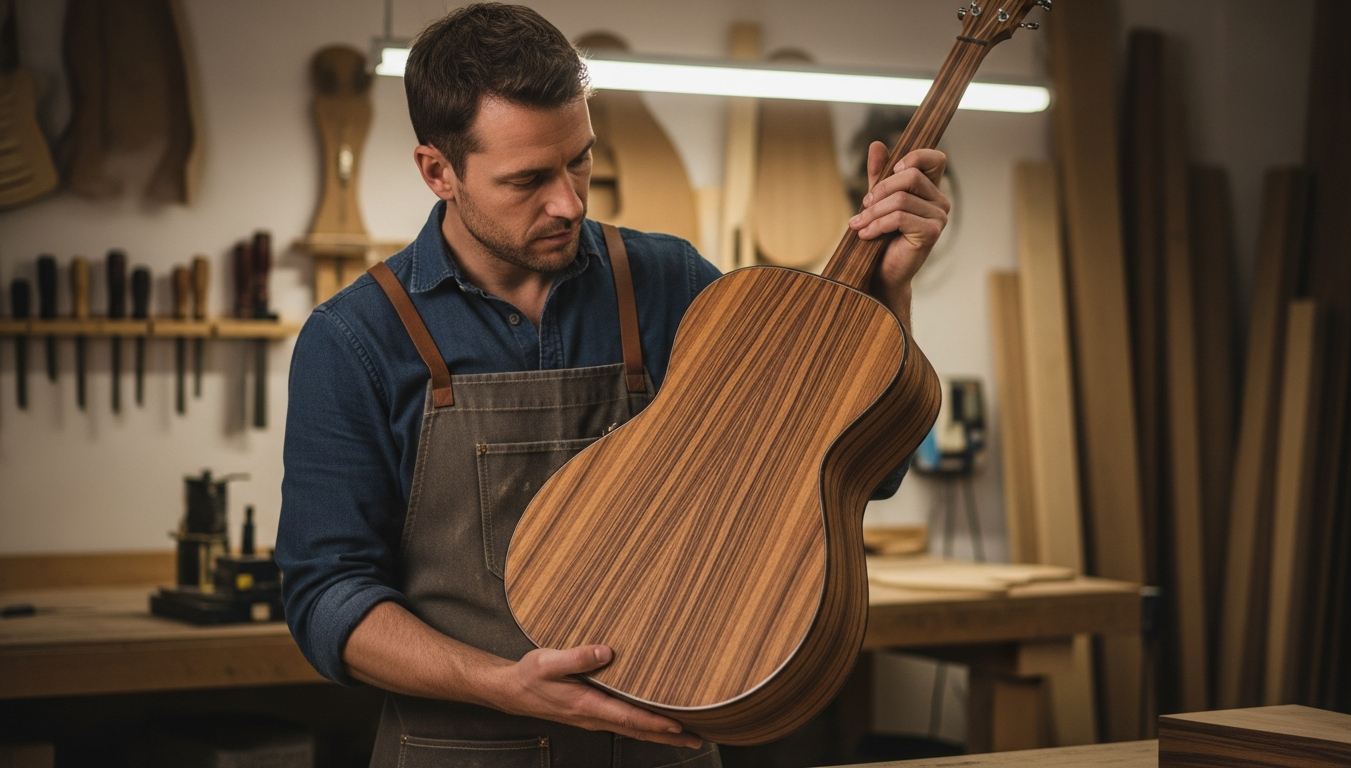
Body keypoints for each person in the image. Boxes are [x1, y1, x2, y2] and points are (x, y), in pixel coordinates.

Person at [276, 4, 952, 766]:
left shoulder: (672, 285)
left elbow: (857, 464)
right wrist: (503, 683)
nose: (567, 201)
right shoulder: (356, 340)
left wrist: (889, 292)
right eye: (528, 179)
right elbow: (326, 599)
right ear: (439, 171)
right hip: (461, 749)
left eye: (580, 161)